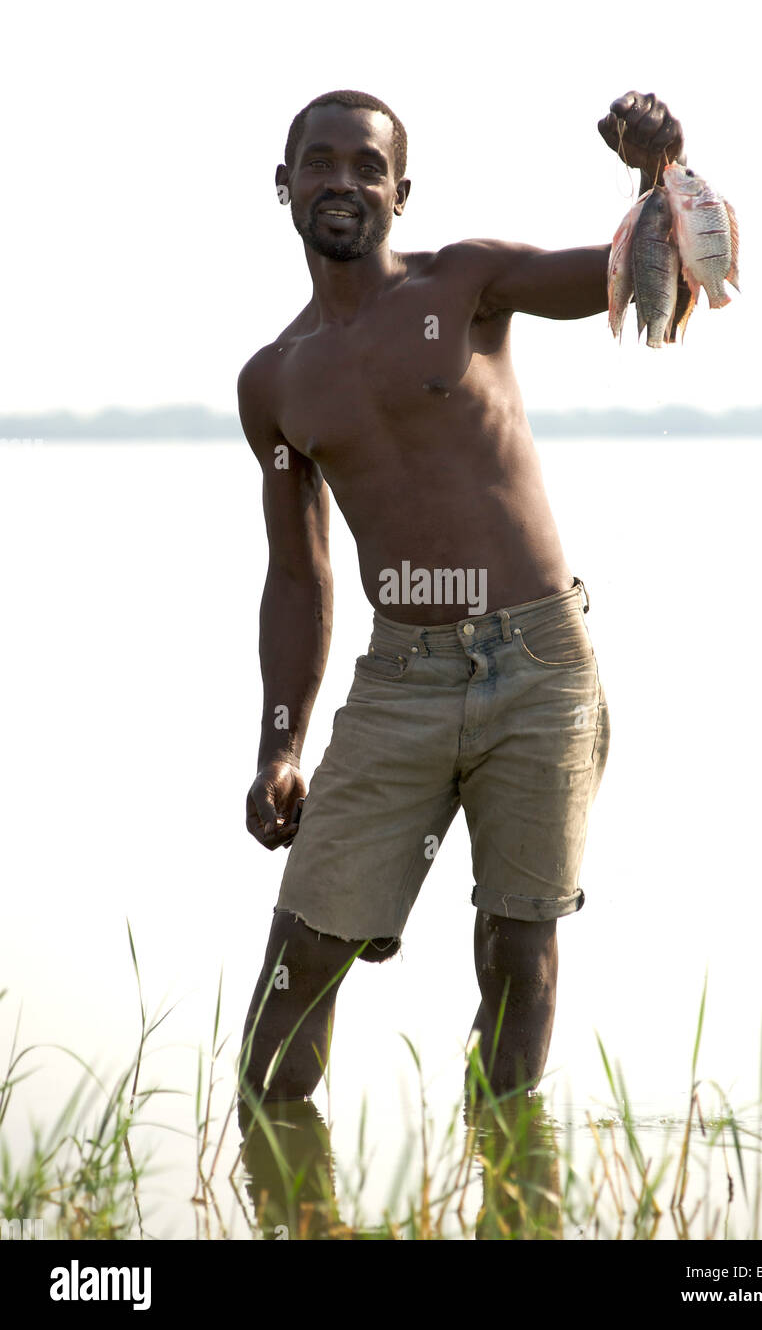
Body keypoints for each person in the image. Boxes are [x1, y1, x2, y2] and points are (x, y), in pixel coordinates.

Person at [238, 88, 684, 1100]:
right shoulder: (274, 382)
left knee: (517, 960)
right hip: (400, 677)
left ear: (400, 190)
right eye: (318, 161)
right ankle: (275, 1198)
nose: (341, 179)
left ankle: (503, 1196)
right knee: (296, 966)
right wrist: (279, 741)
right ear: (284, 185)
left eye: (365, 163)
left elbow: (628, 278)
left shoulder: (469, 283)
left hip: (540, 665)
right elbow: (298, 572)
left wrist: (655, 173)